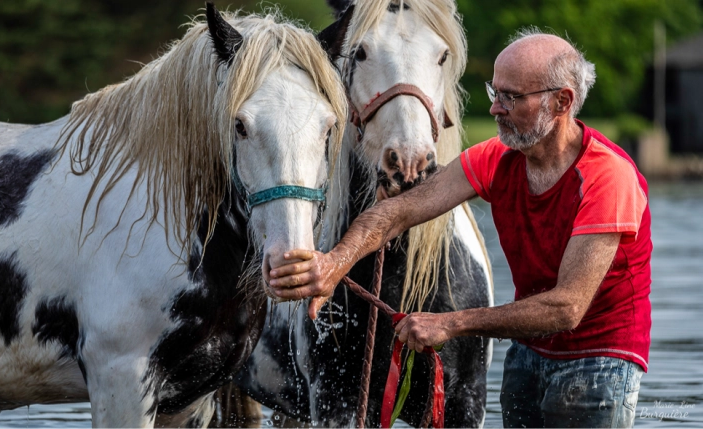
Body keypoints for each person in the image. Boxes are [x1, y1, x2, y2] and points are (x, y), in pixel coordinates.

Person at [267, 28, 651, 428]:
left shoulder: (609, 178)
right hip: (528, 352)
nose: (495, 109)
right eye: (494, 92)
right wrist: (334, 264)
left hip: (600, 361)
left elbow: (567, 307)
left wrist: (450, 323)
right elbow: (397, 212)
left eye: (511, 97)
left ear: (562, 102)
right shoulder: (498, 157)